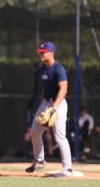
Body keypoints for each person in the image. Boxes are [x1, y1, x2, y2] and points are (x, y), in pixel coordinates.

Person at [25, 41, 73, 177]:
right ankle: (40, 160)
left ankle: (68, 167)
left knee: (59, 136)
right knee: (34, 131)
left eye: (43, 52)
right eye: (40, 52)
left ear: (51, 53)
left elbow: (63, 89)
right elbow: (44, 91)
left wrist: (54, 108)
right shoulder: (43, 69)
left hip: (58, 103)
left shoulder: (58, 68)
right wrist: (43, 107)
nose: (40, 54)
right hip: (46, 103)